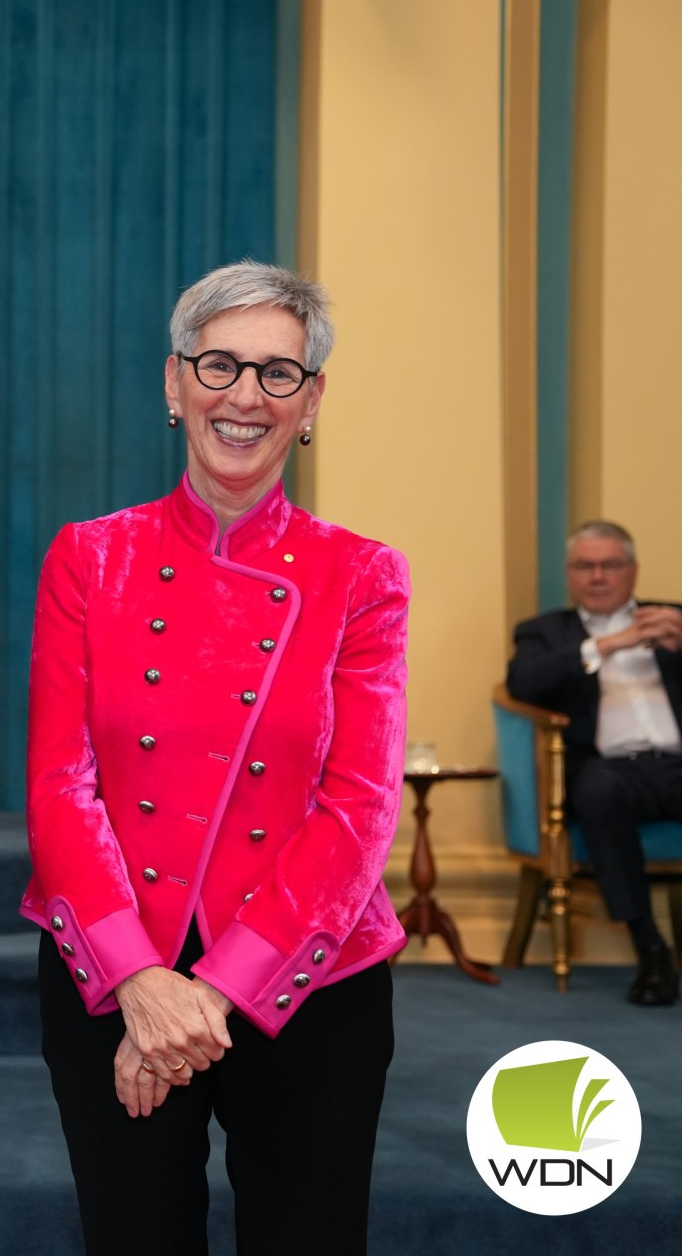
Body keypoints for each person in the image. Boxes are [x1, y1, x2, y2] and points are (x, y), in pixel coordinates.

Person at [21, 261, 409, 1254]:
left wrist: (216, 988)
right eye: (218, 365)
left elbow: (357, 809)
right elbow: (61, 785)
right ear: (172, 382)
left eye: (277, 374)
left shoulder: (360, 575)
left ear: (310, 401)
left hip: (307, 978)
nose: (244, 396)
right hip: (116, 968)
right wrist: (140, 983)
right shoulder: (88, 556)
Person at [505, 521, 682, 1005]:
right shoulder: (545, 631)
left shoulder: (674, 618)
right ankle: (650, 949)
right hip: (610, 770)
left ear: (633, 571)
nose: (599, 576)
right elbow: (523, 682)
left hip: (677, 765)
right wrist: (606, 645)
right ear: (570, 575)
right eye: (586, 566)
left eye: (611, 565)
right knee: (599, 792)